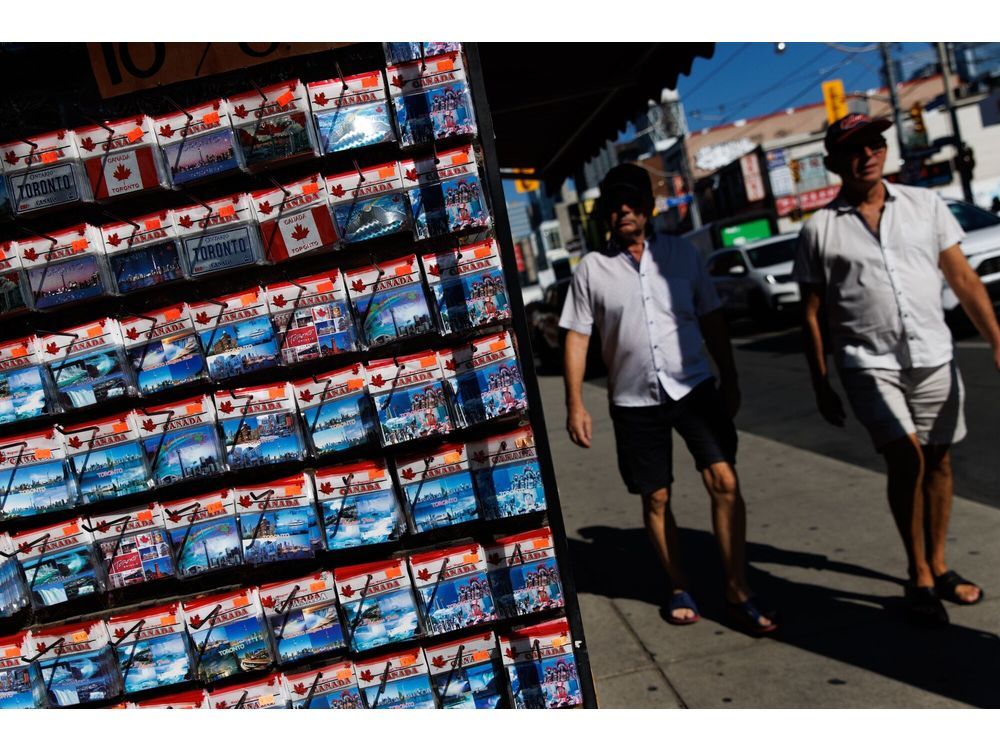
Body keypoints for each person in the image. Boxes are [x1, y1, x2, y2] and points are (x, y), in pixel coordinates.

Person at [792, 113, 1000, 625]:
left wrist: (998, 338)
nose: (869, 154)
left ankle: (940, 563)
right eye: (855, 148)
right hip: (867, 363)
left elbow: (963, 278)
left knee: (939, 462)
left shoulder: (926, 206)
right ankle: (919, 575)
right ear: (834, 162)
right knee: (906, 460)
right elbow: (813, 316)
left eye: (876, 144)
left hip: (933, 354)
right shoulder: (820, 228)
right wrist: (821, 382)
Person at [559, 163, 776, 635]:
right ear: (605, 215)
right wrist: (575, 403)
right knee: (655, 496)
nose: (623, 211)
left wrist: (731, 376)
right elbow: (577, 337)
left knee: (724, 481)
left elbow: (713, 317)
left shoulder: (682, 255)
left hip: (694, 387)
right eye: (614, 205)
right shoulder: (592, 270)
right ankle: (679, 584)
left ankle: (738, 591)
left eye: (632, 202)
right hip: (634, 400)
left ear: (649, 207)